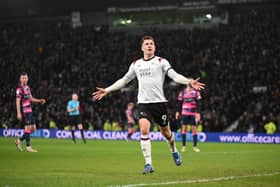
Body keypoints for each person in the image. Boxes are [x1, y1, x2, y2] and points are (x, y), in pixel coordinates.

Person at [92, 35, 205, 174]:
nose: (149, 45)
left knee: (166, 133)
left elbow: (174, 76)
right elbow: (124, 80)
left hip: (159, 104)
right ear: (142, 47)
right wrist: (107, 90)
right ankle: (148, 163)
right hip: (144, 104)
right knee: (144, 130)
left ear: (154, 47)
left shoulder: (161, 61)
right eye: (146, 44)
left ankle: (174, 150)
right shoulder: (136, 64)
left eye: (151, 43)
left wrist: (189, 81)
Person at [15, 72, 46, 152]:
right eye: (23, 78)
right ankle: (28, 146)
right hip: (25, 110)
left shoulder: (27, 87)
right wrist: (18, 112)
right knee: (28, 128)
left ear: (28, 79)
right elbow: (17, 101)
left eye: (25, 78)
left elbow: (31, 99)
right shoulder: (19, 89)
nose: (24, 79)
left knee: (33, 129)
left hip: (30, 110)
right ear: (20, 79)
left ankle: (19, 141)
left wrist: (39, 101)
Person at [175, 84, 201, 152]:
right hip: (184, 113)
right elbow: (179, 103)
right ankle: (184, 147)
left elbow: (199, 103)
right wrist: (177, 112)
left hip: (193, 113)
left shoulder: (196, 92)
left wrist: (198, 113)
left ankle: (195, 147)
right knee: (184, 129)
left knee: (194, 130)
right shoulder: (182, 92)